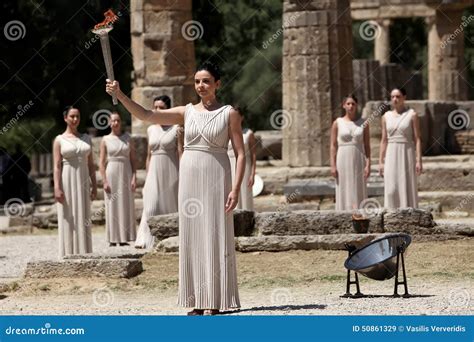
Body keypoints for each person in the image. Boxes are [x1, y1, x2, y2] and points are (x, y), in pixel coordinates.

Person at [106, 61, 245, 316]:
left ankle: (214, 298)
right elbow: (147, 115)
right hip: (189, 178)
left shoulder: (229, 113)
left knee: (213, 234)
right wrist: (120, 95)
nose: (200, 86)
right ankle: (196, 299)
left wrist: (235, 188)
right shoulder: (186, 112)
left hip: (217, 176)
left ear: (217, 84)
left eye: (205, 81)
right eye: (197, 81)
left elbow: (240, 153)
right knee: (192, 235)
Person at [135, 95, 180, 249]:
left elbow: (181, 153)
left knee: (170, 205)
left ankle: (172, 239)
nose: (157, 110)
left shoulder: (177, 128)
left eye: (161, 107)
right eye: (155, 107)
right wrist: (148, 176)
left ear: (168, 109)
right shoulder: (150, 129)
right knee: (151, 205)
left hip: (172, 170)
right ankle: (146, 240)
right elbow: (148, 155)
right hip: (154, 170)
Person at [53, 106, 97, 258]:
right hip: (67, 179)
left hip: (83, 179)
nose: (75, 119)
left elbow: (91, 164)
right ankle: (68, 251)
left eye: (77, 116)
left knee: (83, 214)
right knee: (69, 214)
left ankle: (84, 251)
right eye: (72, 116)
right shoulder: (59, 140)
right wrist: (57, 187)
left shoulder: (86, 138)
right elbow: (57, 166)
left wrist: (95, 186)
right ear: (65, 118)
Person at [379, 87, 422, 208]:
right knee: (391, 188)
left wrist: (419, 160)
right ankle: (391, 215)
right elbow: (384, 140)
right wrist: (381, 162)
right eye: (392, 97)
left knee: (406, 185)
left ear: (404, 98)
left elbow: (417, 139)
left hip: (406, 152)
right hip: (391, 153)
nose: (395, 99)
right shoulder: (385, 116)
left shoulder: (412, 115)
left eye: (398, 96)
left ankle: (409, 216)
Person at [99, 112, 137, 247]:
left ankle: (124, 237)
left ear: (121, 122)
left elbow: (133, 160)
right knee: (112, 204)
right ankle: (113, 238)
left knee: (125, 203)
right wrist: (104, 181)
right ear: (109, 123)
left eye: (118, 120)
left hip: (126, 171)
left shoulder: (128, 138)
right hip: (112, 172)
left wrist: (134, 177)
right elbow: (102, 162)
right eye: (113, 121)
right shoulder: (105, 139)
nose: (115, 123)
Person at [330, 95, 370, 211]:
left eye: (353, 104)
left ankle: (360, 215)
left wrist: (368, 164)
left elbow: (367, 145)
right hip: (342, 158)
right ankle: (343, 213)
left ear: (356, 105)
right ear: (344, 106)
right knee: (344, 186)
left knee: (358, 186)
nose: (350, 106)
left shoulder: (364, 123)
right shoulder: (337, 123)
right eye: (348, 104)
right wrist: (332, 165)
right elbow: (333, 145)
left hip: (359, 157)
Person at [227, 106, 256, 210]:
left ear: (242, 117)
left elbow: (253, 154)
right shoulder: (227, 132)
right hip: (229, 165)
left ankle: (247, 217)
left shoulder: (249, 133)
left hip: (245, 165)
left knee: (244, 191)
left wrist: (253, 174)